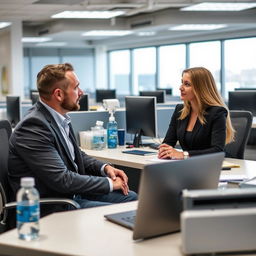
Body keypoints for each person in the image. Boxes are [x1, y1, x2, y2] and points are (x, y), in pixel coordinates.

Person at [8, 63, 137, 216]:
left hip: (71, 193)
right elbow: (62, 180)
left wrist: (105, 168)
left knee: (131, 198)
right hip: (53, 205)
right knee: (119, 209)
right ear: (59, 94)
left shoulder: (59, 118)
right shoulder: (33, 127)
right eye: (76, 88)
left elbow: (76, 155)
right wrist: (110, 184)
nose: (81, 92)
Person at [158, 67, 234, 160]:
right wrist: (165, 150)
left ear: (200, 88)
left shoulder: (217, 113)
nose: (180, 87)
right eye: (182, 82)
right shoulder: (180, 110)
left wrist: (183, 154)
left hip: (212, 166)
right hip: (188, 165)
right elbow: (168, 142)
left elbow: (217, 150)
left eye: (187, 84)